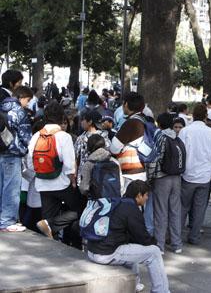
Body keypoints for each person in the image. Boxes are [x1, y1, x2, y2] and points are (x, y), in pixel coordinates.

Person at [86, 180, 170, 293]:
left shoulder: (118, 203)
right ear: (139, 195)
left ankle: (134, 285)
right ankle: (162, 291)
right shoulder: (132, 209)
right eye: (146, 196)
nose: (147, 199)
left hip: (92, 251)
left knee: (131, 250)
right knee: (154, 252)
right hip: (105, 254)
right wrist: (155, 243)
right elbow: (143, 238)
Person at [31, 102, 78, 240]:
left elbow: (29, 162)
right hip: (62, 183)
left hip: (42, 183)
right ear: (61, 117)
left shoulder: (36, 136)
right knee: (79, 210)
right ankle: (52, 225)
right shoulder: (64, 136)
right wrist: (73, 181)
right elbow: (70, 164)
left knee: (47, 217)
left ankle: (50, 231)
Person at [178, 104, 211, 245]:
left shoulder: (185, 131)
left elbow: (181, 153)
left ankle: (176, 236)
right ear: (205, 117)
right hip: (204, 176)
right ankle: (194, 236)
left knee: (183, 207)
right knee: (200, 208)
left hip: (188, 175)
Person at [150, 113, 185, 254]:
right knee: (175, 211)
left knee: (161, 212)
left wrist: (150, 177)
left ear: (159, 123)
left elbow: (156, 158)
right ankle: (177, 244)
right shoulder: (177, 138)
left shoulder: (161, 137)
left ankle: (160, 245)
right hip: (176, 178)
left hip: (162, 178)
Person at [0, 85, 33, 232]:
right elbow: (26, 137)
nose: (27, 103)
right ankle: (7, 221)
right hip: (12, 153)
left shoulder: (1, 107)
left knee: (1, 186)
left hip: (0, 151)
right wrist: (23, 148)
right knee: (11, 188)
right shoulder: (19, 111)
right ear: (22, 98)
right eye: (28, 100)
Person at [110, 92, 148, 187]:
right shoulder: (145, 120)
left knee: (130, 201)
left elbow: (114, 149)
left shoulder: (131, 123)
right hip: (144, 170)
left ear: (126, 104)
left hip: (131, 174)